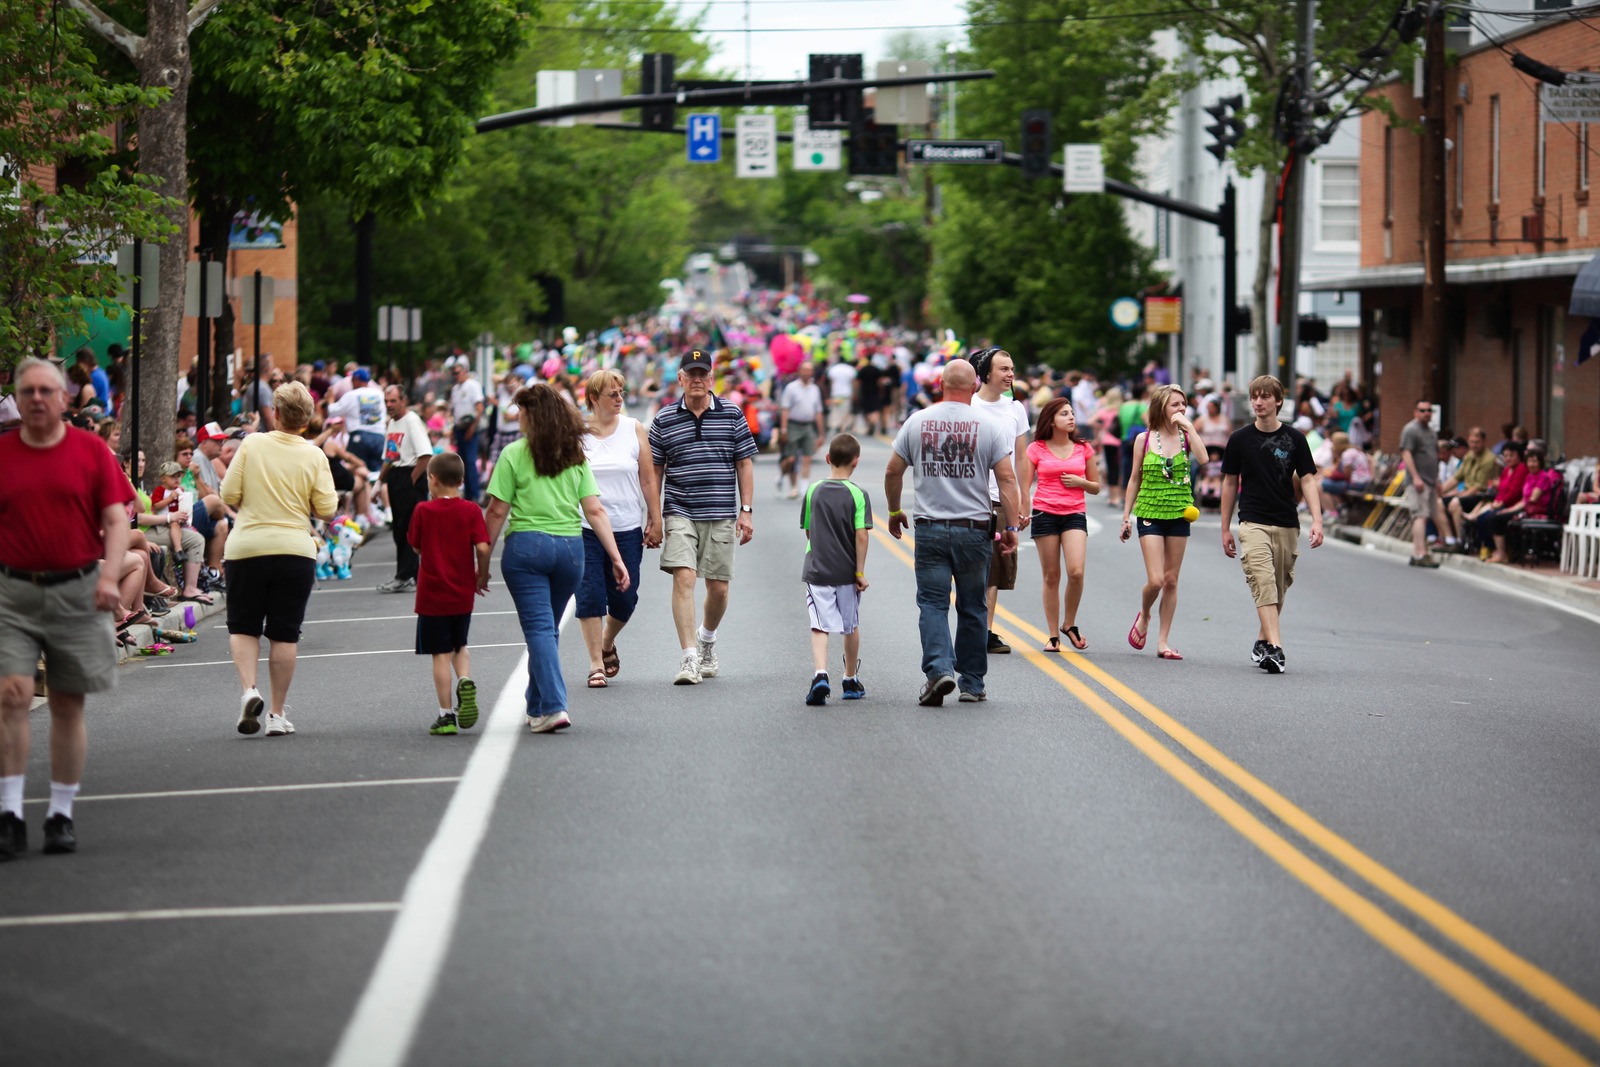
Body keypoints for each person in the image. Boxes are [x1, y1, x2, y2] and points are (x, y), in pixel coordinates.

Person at [0, 358, 134, 858]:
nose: (37, 398)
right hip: (11, 592)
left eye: (45, 391)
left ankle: (60, 813)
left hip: (78, 589)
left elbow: (117, 521)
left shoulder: (91, 451)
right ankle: (9, 814)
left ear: (63, 398)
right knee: (11, 694)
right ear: (18, 397)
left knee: (66, 702)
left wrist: (107, 576)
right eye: (27, 390)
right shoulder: (3, 454)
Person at [483, 383, 630, 733]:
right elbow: (594, 510)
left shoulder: (514, 454)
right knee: (546, 629)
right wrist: (616, 557)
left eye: (521, 411)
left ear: (532, 415)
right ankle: (536, 705)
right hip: (570, 550)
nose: (517, 418)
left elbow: (496, 511)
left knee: (538, 628)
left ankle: (552, 706)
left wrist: (482, 561)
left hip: (527, 549)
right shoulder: (574, 455)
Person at [885, 359, 1018, 706]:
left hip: (930, 528)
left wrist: (895, 510)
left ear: (940, 384)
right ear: (974, 386)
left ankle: (938, 671)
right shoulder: (988, 426)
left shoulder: (917, 422)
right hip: (974, 529)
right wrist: (1013, 525)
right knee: (973, 606)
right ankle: (972, 683)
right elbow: (1006, 478)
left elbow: (893, 471)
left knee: (932, 603)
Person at [221, 381, 339, 737]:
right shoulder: (314, 455)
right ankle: (275, 713)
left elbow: (228, 492)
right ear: (306, 419)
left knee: (244, 626)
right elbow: (328, 509)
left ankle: (249, 690)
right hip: (294, 550)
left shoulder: (253, 443)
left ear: (274, 411)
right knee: (285, 634)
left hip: (247, 547)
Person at [649, 349, 758, 686]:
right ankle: (689, 658)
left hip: (721, 512)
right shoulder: (664, 419)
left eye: (703, 374)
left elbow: (744, 463)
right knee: (683, 578)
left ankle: (707, 638)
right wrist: (654, 517)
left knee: (718, 589)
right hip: (679, 509)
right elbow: (654, 472)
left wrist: (746, 510)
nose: (697, 380)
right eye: (690, 374)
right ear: (679, 378)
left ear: (711, 379)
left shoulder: (732, 414)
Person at [1219, 375, 1324, 675]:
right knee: (1262, 581)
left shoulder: (1296, 439)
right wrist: (1225, 527)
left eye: (1265, 397)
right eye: (1255, 397)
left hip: (1287, 523)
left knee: (1278, 587)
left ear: (1278, 401)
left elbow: (1307, 479)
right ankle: (1276, 647)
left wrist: (1317, 520)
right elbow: (1229, 482)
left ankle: (1263, 640)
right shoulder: (1239, 439)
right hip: (1252, 521)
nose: (1258, 402)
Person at [577, 368, 660, 689]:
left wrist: (655, 518)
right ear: (593, 399)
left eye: (621, 392)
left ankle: (607, 641)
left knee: (625, 599)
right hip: (586, 527)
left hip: (626, 526)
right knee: (589, 596)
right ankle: (596, 663)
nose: (619, 399)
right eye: (613, 394)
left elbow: (648, 477)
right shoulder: (578, 433)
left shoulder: (633, 428)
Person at [408, 453, 490, 735]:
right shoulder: (470, 510)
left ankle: (445, 716)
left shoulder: (423, 511)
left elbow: (416, 547)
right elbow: (482, 547)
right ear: (462, 480)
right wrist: (482, 574)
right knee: (460, 646)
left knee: (440, 654)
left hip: (433, 595)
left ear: (432, 479)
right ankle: (464, 679)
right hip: (462, 592)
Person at [1120, 385, 1199, 660]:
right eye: (1174, 405)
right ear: (1161, 407)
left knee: (1171, 580)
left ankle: (1163, 642)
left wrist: (1190, 429)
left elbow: (1205, 458)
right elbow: (1134, 478)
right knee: (1155, 581)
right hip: (1150, 510)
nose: (1180, 409)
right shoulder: (1144, 439)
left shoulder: (1186, 437)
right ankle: (1144, 615)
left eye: (1183, 404)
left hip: (1179, 511)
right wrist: (1126, 516)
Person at [1018, 397, 1099, 653]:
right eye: (1065, 414)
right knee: (1051, 576)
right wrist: (1022, 513)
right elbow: (1024, 486)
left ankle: (1069, 623)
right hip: (1045, 513)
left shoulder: (1084, 448)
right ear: (1051, 420)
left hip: (1074, 512)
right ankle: (1053, 634)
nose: (1072, 417)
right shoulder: (1037, 448)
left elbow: (1096, 487)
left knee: (1076, 571)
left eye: (1072, 413)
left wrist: (1081, 482)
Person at [800, 434, 873, 706]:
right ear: (856, 462)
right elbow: (862, 535)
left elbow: (808, 530)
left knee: (819, 624)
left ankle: (820, 674)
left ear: (828, 458)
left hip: (818, 568)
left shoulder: (813, 490)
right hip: (847, 571)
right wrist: (859, 571)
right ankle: (850, 679)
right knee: (850, 624)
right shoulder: (858, 494)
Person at [969, 348, 1030, 655]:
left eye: (1012, 369)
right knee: (974, 569)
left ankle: (985, 632)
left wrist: (1023, 499)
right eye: (1004, 369)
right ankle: (974, 625)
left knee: (996, 569)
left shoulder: (1015, 409)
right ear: (986, 373)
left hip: (1002, 497)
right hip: (971, 498)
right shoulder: (968, 405)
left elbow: (1021, 457)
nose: (1010, 374)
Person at [377, 385, 432, 594]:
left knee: (409, 530)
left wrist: (411, 480)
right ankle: (410, 575)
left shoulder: (411, 421)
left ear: (403, 400)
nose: (389, 405)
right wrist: (378, 483)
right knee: (400, 530)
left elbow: (425, 455)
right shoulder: (392, 423)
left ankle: (406, 576)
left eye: (393, 401)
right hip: (396, 476)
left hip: (409, 475)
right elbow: (390, 457)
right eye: (387, 401)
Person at [1399, 400, 1442, 568]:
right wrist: (1416, 477)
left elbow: (1434, 456)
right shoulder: (1411, 430)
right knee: (1420, 515)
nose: (1426, 413)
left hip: (1430, 481)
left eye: (1429, 410)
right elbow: (1406, 453)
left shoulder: (1431, 432)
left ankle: (1420, 550)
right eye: (1423, 410)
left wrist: (1437, 479)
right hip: (1418, 481)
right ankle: (1419, 553)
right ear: (1415, 412)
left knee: (1427, 515)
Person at [778, 361, 826, 500]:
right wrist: (784, 429)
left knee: (807, 457)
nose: (807, 373)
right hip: (793, 425)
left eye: (809, 370)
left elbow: (818, 412)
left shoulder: (815, 389)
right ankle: (783, 476)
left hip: (808, 426)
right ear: (800, 371)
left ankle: (803, 488)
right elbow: (785, 409)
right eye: (804, 370)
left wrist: (821, 433)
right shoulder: (791, 388)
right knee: (791, 459)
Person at [328, 367, 387, 475]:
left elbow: (332, 411)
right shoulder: (380, 394)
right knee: (377, 474)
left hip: (359, 437)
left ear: (356, 380)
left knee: (358, 472)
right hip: (379, 437)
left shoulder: (351, 395)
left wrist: (330, 399)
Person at [449, 359, 486, 503]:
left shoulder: (473, 385)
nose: (455, 375)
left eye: (457, 372)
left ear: (464, 371)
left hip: (470, 426)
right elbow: (454, 411)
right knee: (462, 462)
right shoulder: (455, 389)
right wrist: (453, 429)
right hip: (459, 426)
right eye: (453, 373)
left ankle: (474, 493)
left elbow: (479, 408)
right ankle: (467, 492)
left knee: (470, 461)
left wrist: (472, 427)